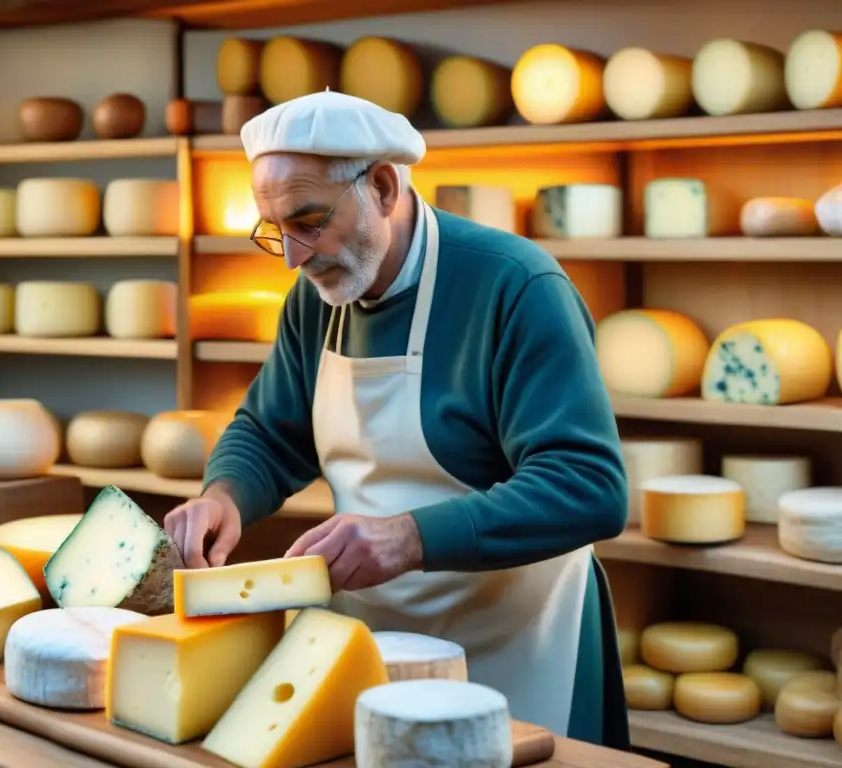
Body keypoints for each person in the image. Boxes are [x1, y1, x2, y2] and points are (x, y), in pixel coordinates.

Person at [163, 89, 630, 749]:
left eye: (309, 219)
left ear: (382, 186)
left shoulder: (515, 286)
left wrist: (409, 538)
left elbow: (589, 487)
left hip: (519, 647)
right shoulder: (315, 299)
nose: (294, 255)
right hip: (378, 647)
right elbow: (271, 433)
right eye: (275, 231)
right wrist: (225, 495)